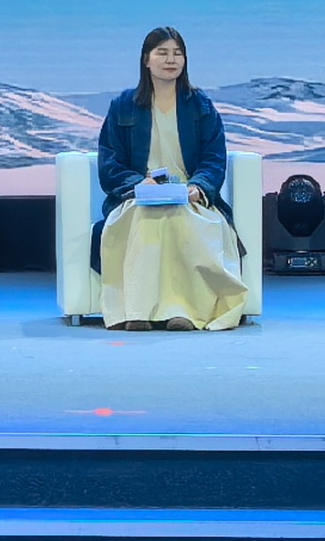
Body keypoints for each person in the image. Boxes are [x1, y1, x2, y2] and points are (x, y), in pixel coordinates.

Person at [91, 26, 249, 332]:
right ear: (146, 59)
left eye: (177, 53)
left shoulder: (200, 106)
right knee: (144, 218)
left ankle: (184, 311)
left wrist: (198, 187)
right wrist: (137, 184)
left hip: (189, 196)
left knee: (181, 219)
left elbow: (214, 158)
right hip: (137, 196)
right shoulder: (123, 106)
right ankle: (137, 311)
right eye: (162, 53)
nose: (170, 60)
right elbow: (109, 161)